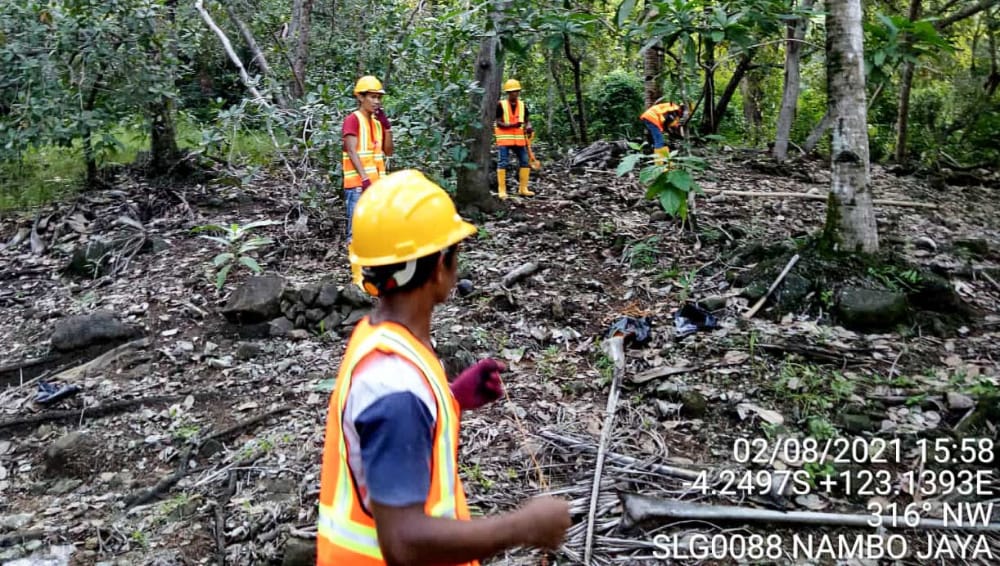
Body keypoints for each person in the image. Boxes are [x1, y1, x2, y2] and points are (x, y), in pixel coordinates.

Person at [317, 169, 572, 566]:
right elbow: (405, 543)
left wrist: (451, 399)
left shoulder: (379, 336)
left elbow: (391, 433)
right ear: (439, 266)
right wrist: (525, 525)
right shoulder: (395, 385)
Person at [342, 75, 394, 243]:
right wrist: (364, 178)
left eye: (378, 97)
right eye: (372, 97)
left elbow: (388, 152)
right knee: (357, 232)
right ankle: (356, 266)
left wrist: (387, 128)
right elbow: (351, 150)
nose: (376, 101)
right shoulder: (352, 120)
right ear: (360, 97)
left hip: (376, 185)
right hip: (358, 185)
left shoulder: (377, 123)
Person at [494, 79, 534, 199]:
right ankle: (502, 190)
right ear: (507, 93)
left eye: (516, 91)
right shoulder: (501, 105)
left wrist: (529, 127)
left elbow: (527, 120)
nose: (514, 94)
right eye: (512, 92)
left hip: (519, 139)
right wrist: (512, 125)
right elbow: (498, 122)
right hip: (505, 140)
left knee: (525, 161)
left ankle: (523, 188)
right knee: (503, 162)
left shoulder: (522, 105)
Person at [640, 101, 686, 166]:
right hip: (652, 117)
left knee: (659, 141)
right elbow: (666, 123)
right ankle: (659, 165)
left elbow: (669, 125)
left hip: (651, 117)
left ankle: (666, 162)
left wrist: (672, 133)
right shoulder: (674, 110)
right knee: (659, 141)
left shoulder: (674, 110)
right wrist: (671, 133)